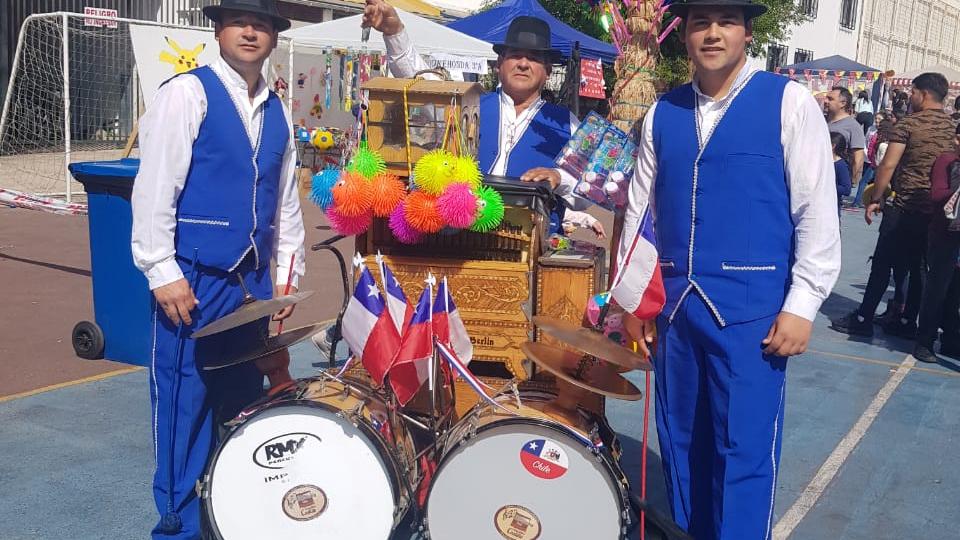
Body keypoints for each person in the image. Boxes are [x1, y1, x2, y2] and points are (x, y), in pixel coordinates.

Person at [613, 1, 841, 537]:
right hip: (674, 310)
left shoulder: (787, 102)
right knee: (682, 441)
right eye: (700, 23)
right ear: (685, 34)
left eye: (726, 22)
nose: (712, 34)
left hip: (752, 314)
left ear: (746, 33)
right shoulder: (662, 112)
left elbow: (816, 209)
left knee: (743, 449)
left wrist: (802, 304)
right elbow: (640, 213)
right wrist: (632, 304)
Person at [130, 1, 305, 537]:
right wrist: (162, 269)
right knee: (185, 406)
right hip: (195, 278)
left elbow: (285, 201)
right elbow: (156, 186)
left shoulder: (278, 109)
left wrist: (286, 274)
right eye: (239, 22)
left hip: (251, 282)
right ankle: (177, 525)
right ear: (218, 30)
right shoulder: (187, 93)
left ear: (274, 35)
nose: (251, 31)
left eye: (262, 24)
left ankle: (232, 516)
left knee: (242, 403)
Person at [362, 0, 587, 234]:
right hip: (463, 243)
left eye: (533, 58)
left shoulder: (567, 124)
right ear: (500, 64)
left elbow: (586, 193)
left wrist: (560, 177)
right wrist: (395, 33)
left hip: (531, 245)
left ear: (548, 71)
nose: (523, 63)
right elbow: (426, 88)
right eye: (515, 55)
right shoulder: (469, 104)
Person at [831, 73, 955, 339]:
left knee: (883, 263)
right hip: (935, 210)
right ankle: (909, 320)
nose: (910, 97)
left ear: (923, 94)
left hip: (904, 205)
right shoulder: (951, 128)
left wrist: (875, 198)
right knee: (919, 267)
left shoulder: (908, 124)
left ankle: (863, 317)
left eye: (913, 92)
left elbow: (888, 163)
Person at [914, 122, 960, 362]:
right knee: (937, 290)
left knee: (955, 293)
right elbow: (937, 195)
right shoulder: (946, 161)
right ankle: (925, 340)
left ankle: (952, 339)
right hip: (946, 237)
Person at [824, 86, 866, 188]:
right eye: (826, 98)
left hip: (834, 182)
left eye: (830, 99)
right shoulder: (822, 120)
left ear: (843, 103)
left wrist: (852, 180)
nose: (825, 101)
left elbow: (858, 157)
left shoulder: (853, 126)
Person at [832, 131, 852, 216]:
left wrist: (829, 187)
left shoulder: (840, 165)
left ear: (833, 146)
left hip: (832, 207)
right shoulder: (822, 162)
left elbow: (846, 189)